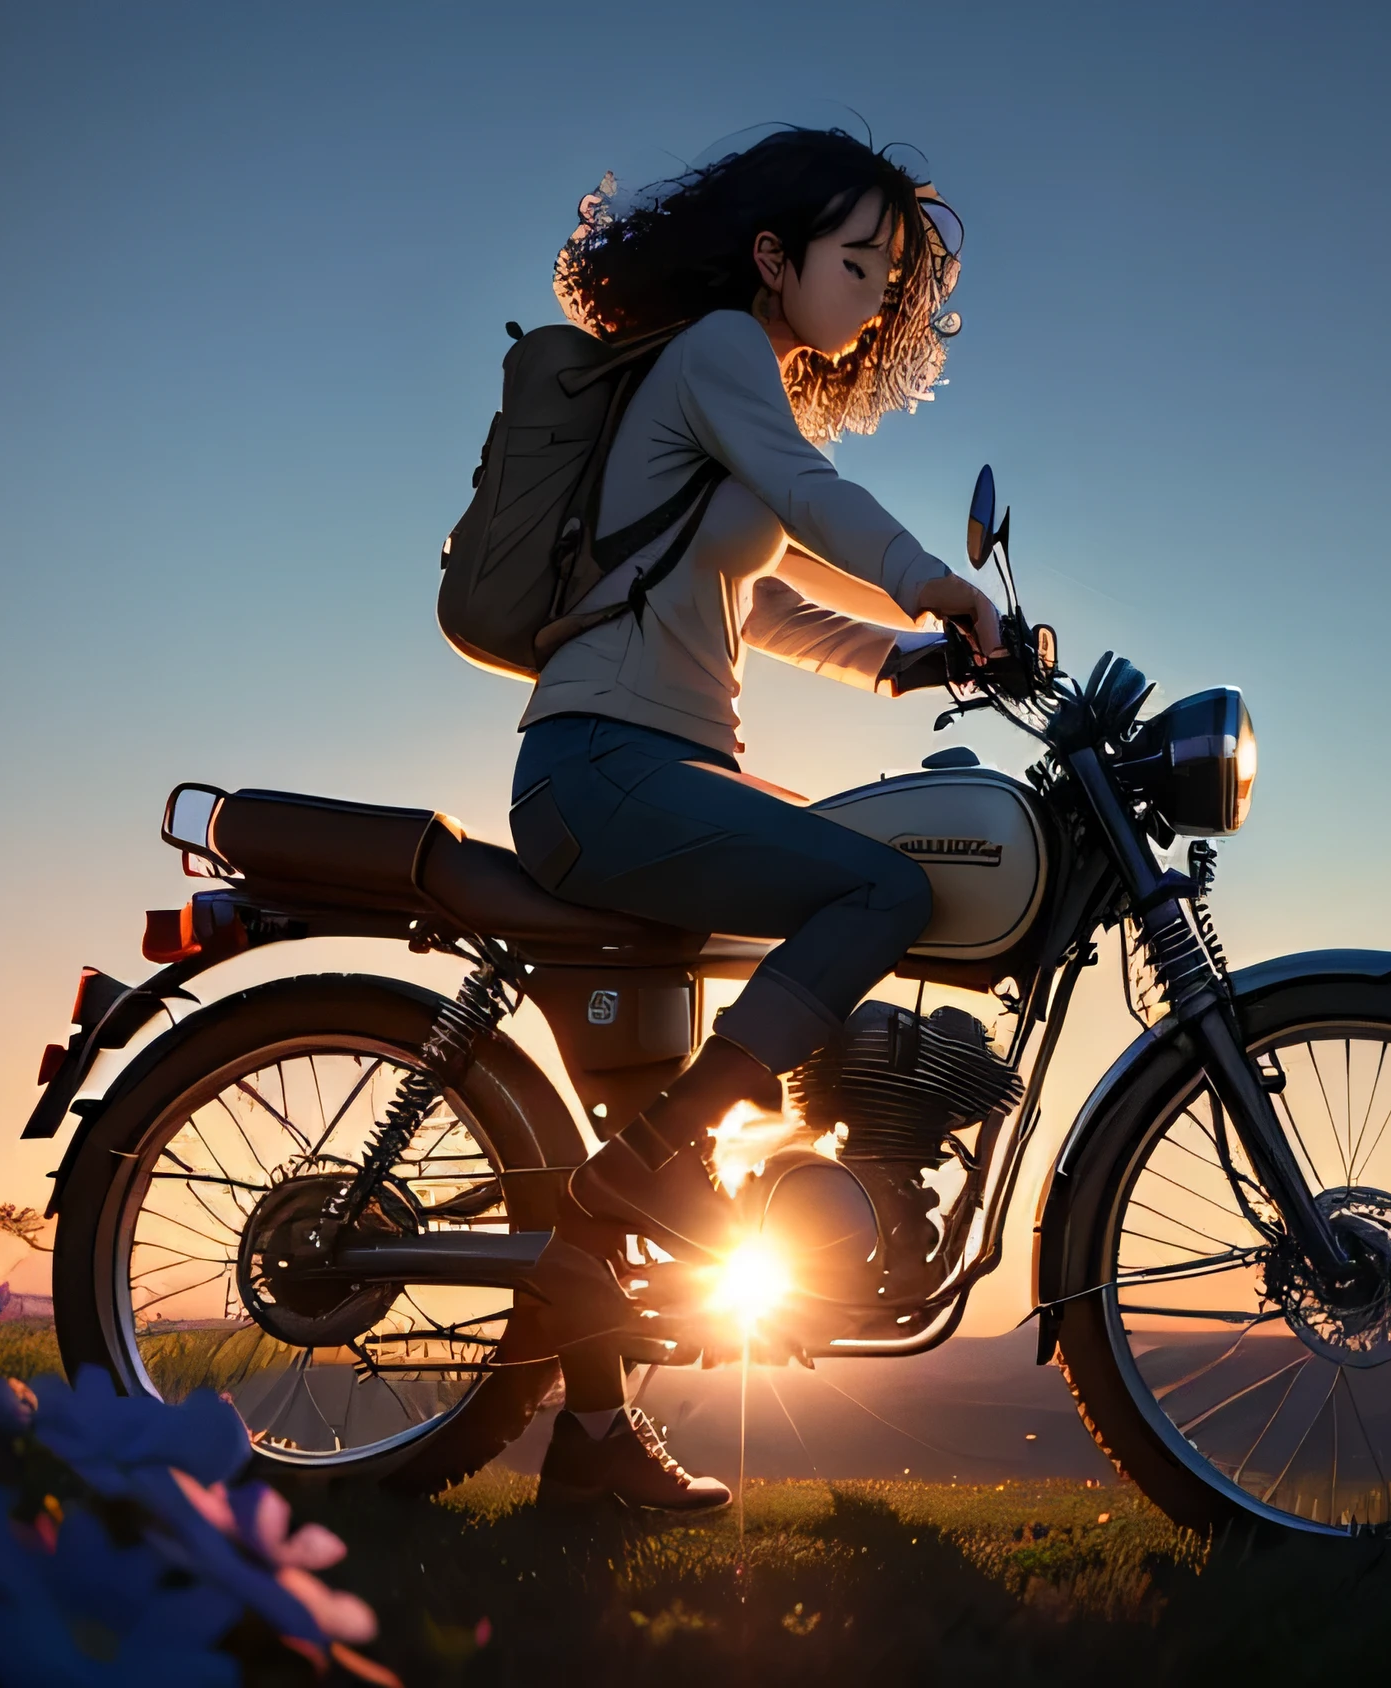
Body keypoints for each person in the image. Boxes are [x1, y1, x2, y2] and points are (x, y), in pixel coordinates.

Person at [499, 128, 1001, 1511]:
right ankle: (667, 1163)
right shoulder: (721, 345)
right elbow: (811, 499)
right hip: (607, 767)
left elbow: (751, 597)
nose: (879, 296)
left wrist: (902, 659)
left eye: (894, 276)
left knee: (634, 1111)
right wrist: (933, 590)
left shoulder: (727, 384)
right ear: (774, 258)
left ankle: (592, 1448)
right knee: (881, 891)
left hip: (650, 773)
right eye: (858, 262)